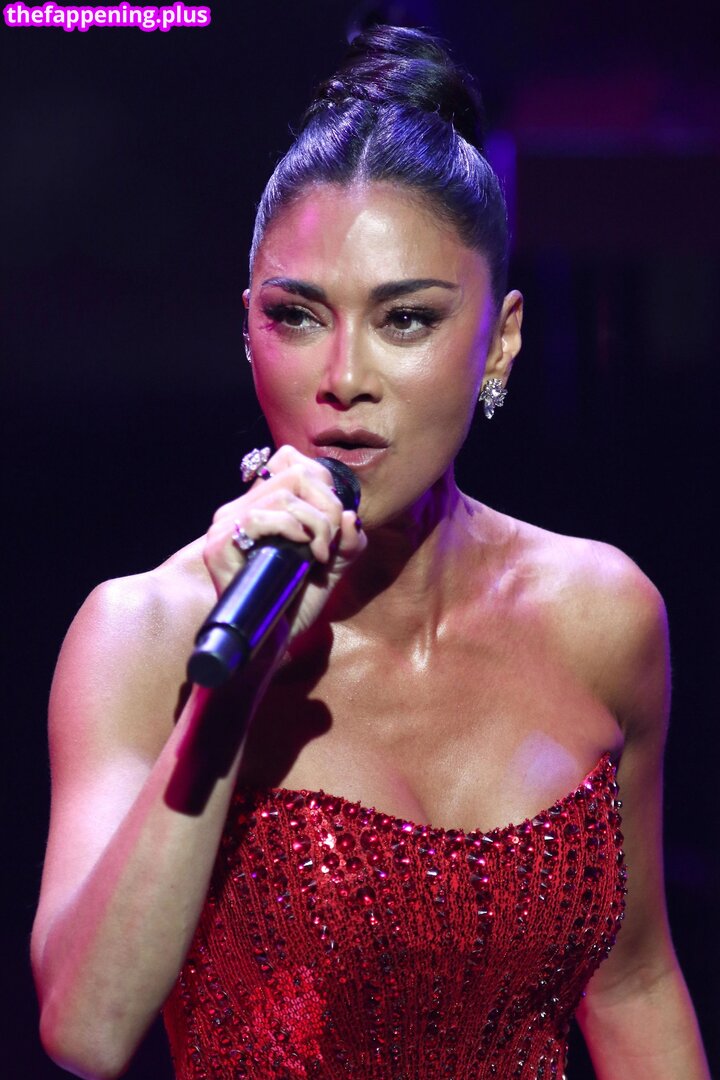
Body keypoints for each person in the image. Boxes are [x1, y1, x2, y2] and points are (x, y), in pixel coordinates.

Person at [31, 25, 709, 1080]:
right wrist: (230, 693)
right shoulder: (150, 634)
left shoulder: (603, 615)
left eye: (406, 320)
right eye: (299, 316)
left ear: (501, 339)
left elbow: (633, 984)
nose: (344, 376)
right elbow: (87, 1030)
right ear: (247, 330)